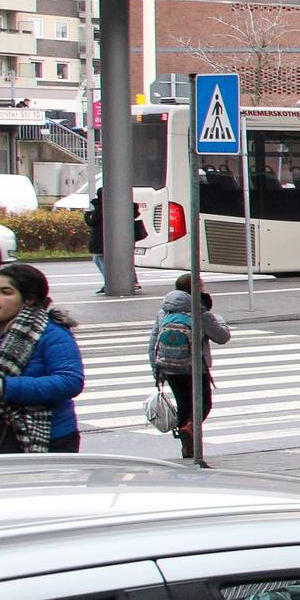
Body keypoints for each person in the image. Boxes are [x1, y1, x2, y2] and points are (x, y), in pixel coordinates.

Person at [0, 264, 82, 453]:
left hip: (47, 435)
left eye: (6, 292)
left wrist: (6, 388)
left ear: (29, 300)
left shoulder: (52, 333)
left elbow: (70, 381)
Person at [148, 274, 232, 461]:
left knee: (184, 405)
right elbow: (222, 337)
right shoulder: (200, 312)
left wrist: (156, 370)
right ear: (197, 288)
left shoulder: (164, 312)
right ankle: (190, 429)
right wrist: (219, 320)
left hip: (169, 367)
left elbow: (153, 340)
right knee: (204, 404)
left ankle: (188, 448)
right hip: (195, 367)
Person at [82, 190, 141, 296]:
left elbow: (92, 222)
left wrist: (86, 215)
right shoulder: (120, 204)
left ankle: (110, 282)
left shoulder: (102, 207)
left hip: (102, 239)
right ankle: (132, 282)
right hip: (121, 237)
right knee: (125, 260)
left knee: (102, 261)